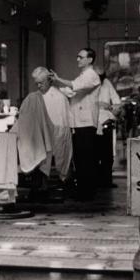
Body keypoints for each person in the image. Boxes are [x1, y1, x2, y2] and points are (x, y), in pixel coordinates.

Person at [50, 47, 101, 201]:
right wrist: (55, 87)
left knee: (85, 158)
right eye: (77, 57)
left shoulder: (91, 75)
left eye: (81, 57)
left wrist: (58, 80)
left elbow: (73, 86)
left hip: (86, 123)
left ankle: (87, 192)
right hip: (79, 123)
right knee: (80, 158)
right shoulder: (83, 76)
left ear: (90, 59)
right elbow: (71, 91)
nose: (78, 59)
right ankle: (83, 190)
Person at [31, 67, 73, 185]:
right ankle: (40, 183)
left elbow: (60, 123)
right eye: (37, 83)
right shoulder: (39, 96)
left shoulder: (59, 96)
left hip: (57, 134)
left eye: (41, 83)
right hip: (46, 133)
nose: (39, 86)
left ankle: (52, 181)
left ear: (49, 81)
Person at [95, 69, 122, 188]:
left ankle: (106, 180)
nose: (100, 80)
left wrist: (109, 106)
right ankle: (95, 180)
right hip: (91, 122)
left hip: (106, 120)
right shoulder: (86, 83)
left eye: (101, 78)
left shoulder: (106, 83)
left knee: (107, 155)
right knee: (94, 154)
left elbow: (117, 103)